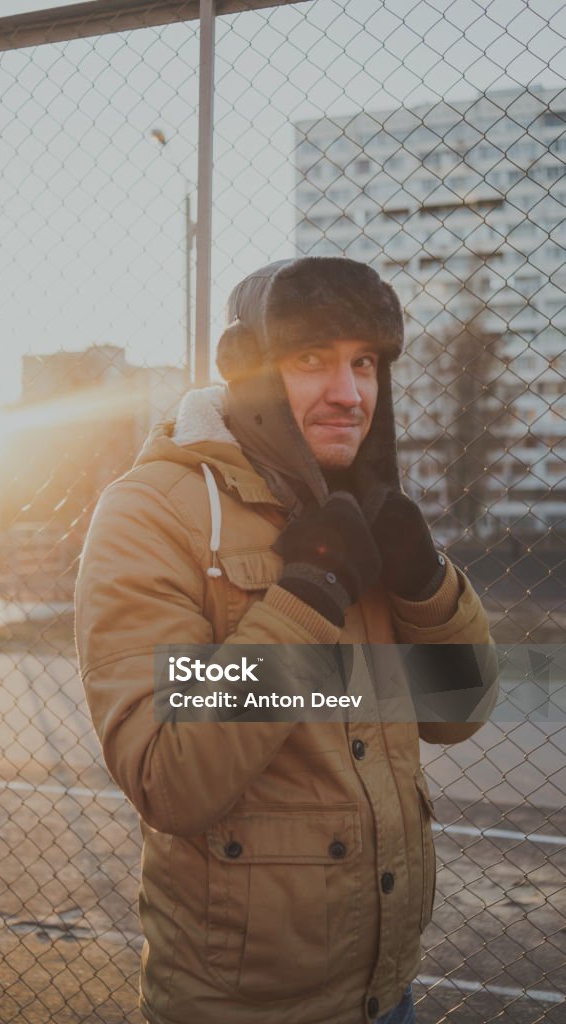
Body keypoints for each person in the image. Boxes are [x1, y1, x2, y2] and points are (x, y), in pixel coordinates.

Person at [75, 257, 497, 1024]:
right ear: (252, 370)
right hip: (243, 1006)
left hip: (386, 988)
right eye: (313, 360)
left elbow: (458, 708)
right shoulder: (155, 511)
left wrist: (425, 583)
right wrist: (307, 599)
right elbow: (168, 775)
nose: (350, 393)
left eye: (364, 363)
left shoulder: (361, 506)